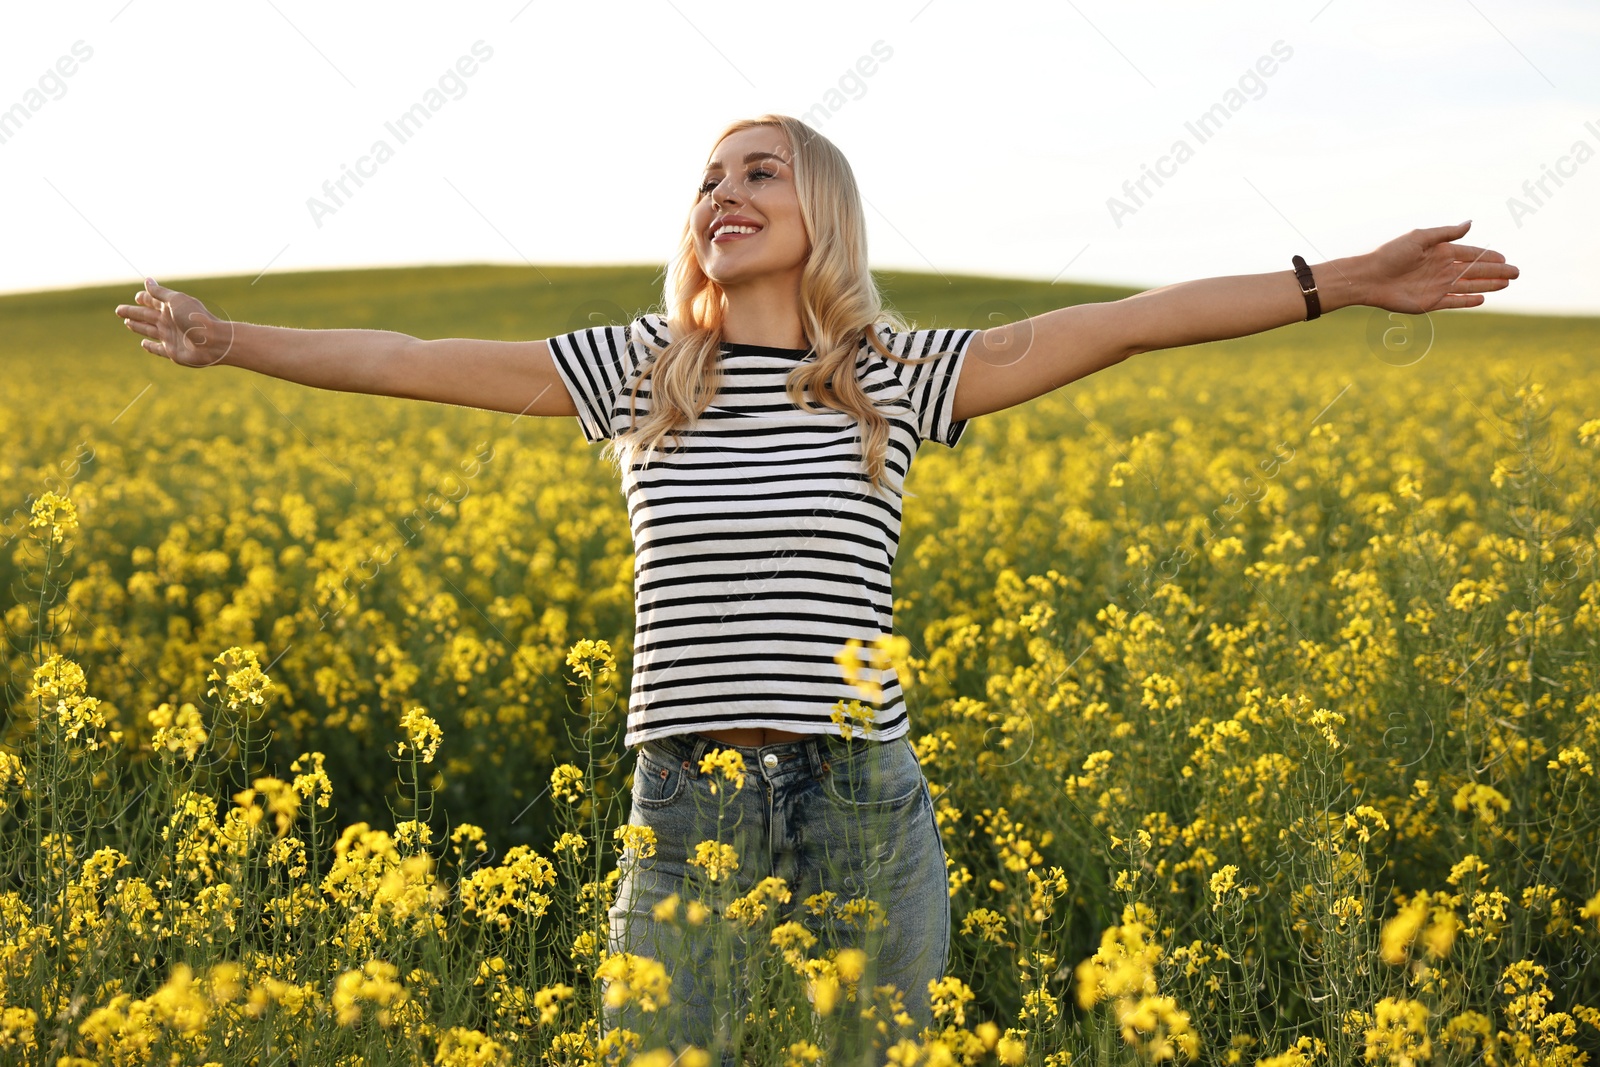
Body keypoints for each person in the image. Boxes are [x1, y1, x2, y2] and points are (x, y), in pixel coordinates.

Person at [114, 112, 1519, 1062]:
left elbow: (1135, 324)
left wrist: (1341, 279)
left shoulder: (895, 378)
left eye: (760, 174)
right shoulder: (638, 373)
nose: (724, 194)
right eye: (709, 181)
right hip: (683, 811)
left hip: (860, 801)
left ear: (821, 213)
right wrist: (232, 339)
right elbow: (409, 356)